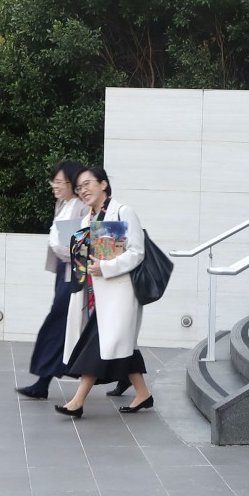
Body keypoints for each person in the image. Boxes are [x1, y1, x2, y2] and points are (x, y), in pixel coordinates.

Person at [55, 166, 153, 417]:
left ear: (103, 184)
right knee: (122, 344)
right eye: (79, 187)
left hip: (120, 294)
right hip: (94, 295)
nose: (83, 190)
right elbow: (85, 257)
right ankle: (143, 394)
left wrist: (106, 267)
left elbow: (137, 252)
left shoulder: (122, 212)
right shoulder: (87, 219)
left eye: (87, 184)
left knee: (98, 343)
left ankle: (77, 402)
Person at [15, 160, 87, 399]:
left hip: (75, 276)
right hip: (64, 273)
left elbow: (73, 249)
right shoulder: (63, 204)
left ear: (71, 182)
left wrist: (61, 248)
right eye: (53, 182)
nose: (54, 186)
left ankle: (42, 381)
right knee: (68, 325)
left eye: (58, 182)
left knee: (58, 323)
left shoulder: (79, 207)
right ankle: (127, 372)